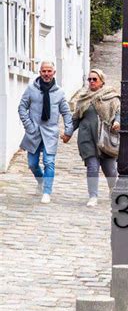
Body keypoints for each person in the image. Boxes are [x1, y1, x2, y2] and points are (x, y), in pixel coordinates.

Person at [18, 60, 73, 204]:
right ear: (40, 72)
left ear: (54, 73)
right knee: (32, 164)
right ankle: (41, 181)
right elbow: (22, 108)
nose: (46, 74)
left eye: (49, 71)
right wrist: (29, 126)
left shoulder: (59, 92)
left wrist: (68, 130)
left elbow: (66, 113)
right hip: (34, 132)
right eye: (44, 71)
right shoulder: (31, 89)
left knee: (49, 162)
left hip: (50, 133)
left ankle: (47, 191)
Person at [64, 68, 120, 207]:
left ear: (102, 81)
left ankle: (113, 190)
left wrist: (117, 122)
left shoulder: (111, 97)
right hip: (87, 138)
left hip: (105, 139)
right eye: (89, 79)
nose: (91, 82)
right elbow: (75, 118)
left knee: (110, 170)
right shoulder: (83, 98)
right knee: (92, 167)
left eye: (94, 79)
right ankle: (93, 196)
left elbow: (118, 112)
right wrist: (68, 133)